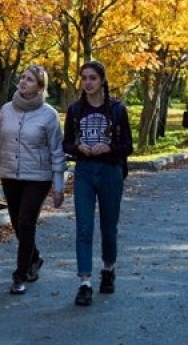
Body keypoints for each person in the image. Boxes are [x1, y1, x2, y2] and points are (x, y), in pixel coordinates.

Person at [0, 64, 66, 295]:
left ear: (40, 87)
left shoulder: (49, 115)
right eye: (22, 78)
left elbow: (56, 151)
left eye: (29, 79)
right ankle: (35, 258)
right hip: (10, 175)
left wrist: (58, 187)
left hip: (38, 178)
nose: (23, 82)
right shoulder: (6, 110)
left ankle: (20, 275)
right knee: (19, 224)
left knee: (26, 222)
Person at [63, 59, 133, 307]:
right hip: (84, 170)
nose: (88, 83)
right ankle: (84, 283)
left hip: (110, 171)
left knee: (108, 227)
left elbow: (128, 146)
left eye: (92, 78)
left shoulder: (116, 109)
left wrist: (109, 147)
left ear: (102, 80)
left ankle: (108, 268)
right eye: (84, 78)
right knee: (84, 227)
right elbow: (67, 144)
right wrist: (78, 147)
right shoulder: (75, 111)